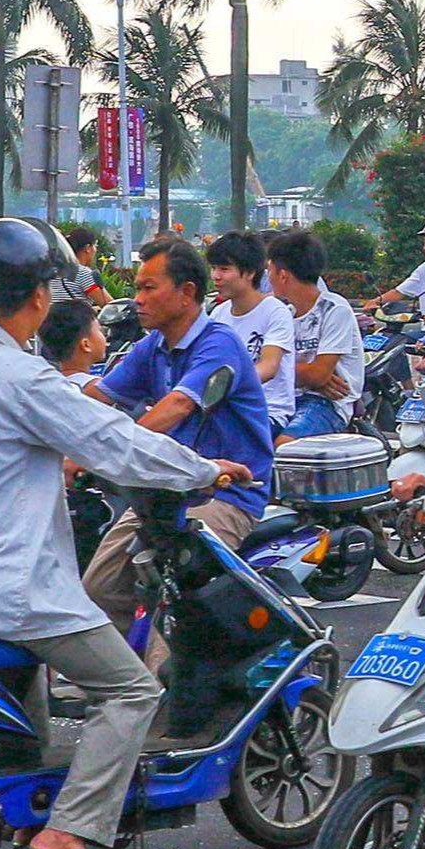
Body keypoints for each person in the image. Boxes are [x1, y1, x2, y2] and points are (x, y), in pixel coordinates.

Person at [0, 219, 250, 849]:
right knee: (129, 692)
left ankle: (20, 806)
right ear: (36, 297)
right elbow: (115, 444)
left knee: (41, 672)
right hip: (2, 583)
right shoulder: (21, 375)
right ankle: (68, 833)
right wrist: (205, 470)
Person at [82, 240, 270, 625]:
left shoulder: (219, 344)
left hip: (225, 493)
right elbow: (96, 397)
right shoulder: (151, 347)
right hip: (164, 490)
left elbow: (177, 406)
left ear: (186, 293)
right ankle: (123, 680)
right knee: (100, 587)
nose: (137, 299)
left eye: (148, 288)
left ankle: (164, 682)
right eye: (137, 288)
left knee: (184, 598)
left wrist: (111, 448)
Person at [268, 227, 365, 438]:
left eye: (270, 270)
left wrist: (284, 372)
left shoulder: (334, 309)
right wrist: (309, 375)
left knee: (285, 447)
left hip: (326, 404)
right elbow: (316, 375)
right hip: (286, 399)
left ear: (283, 275)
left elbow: (319, 373)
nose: (268, 277)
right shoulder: (283, 313)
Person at [204, 231, 297, 429]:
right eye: (213, 268)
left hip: (266, 412)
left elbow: (269, 367)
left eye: (224, 269)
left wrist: (221, 388)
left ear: (249, 273)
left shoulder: (275, 311)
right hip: (225, 411)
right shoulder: (218, 315)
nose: (216, 276)